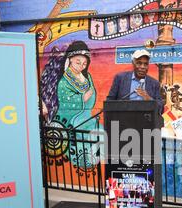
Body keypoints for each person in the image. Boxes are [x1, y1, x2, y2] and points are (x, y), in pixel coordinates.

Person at [40, 41, 98, 169]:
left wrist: (88, 97)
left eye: (84, 63)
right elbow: (65, 100)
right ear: (70, 60)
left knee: (98, 129)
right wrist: (82, 98)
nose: (81, 66)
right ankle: (82, 158)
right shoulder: (64, 81)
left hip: (86, 115)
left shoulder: (87, 76)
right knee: (79, 130)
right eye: (78, 62)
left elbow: (92, 96)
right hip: (69, 118)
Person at [107, 49, 164, 115]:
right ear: (133, 63)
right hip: (122, 120)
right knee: (114, 124)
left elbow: (161, 109)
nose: (142, 67)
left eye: (145, 64)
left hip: (146, 122)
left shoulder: (154, 83)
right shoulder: (120, 78)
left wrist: (149, 99)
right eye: (139, 63)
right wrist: (114, 124)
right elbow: (109, 103)